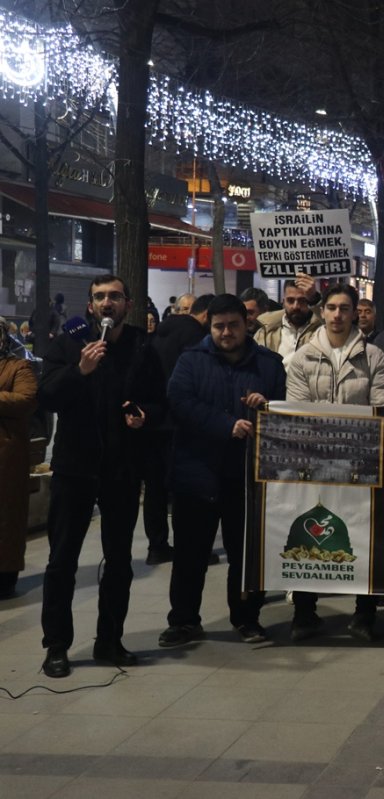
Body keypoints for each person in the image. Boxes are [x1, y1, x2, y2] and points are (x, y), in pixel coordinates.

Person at [37, 275, 163, 678]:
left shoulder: (143, 348)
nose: (107, 303)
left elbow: (160, 402)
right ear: (90, 306)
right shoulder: (68, 344)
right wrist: (81, 370)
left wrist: (144, 416)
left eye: (115, 297)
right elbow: (49, 396)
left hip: (121, 469)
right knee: (61, 561)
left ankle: (110, 639)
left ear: (127, 304)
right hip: (74, 468)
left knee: (119, 559)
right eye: (99, 298)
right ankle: (56, 645)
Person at [157, 294, 286, 649]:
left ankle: (247, 618)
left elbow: (285, 410)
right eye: (219, 326)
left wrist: (267, 406)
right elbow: (180, 403)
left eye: (233, 325)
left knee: (245, 554)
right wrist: (225, 425)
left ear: (247, 325)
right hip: (196, 474)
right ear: (209, 326)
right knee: (189, 554)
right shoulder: (191, 360)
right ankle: (184, 620)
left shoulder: (270, 364)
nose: (226, 332)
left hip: (246, 478)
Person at [286, 284, 384, 642]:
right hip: (312, 460)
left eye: (344, 308)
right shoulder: (303, 357)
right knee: (306, 533)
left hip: (361, 461)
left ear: (354, 312)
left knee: (364, 536)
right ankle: (304, 612)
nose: (337, 314)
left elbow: (381, 408)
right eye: (331, 307)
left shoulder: (373, 356)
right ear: (323, 312)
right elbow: (298, 410)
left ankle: (364, 614)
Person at [143, 293, 215, 566]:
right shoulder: (197, 338)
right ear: (206, 315)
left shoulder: (159, 334)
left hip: (154, 422)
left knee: (155, 488)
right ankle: (192, 548)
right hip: (182, 422)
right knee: (187, 488)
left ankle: (157, 545)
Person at [0, 318, 37, 599]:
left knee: (6, 517)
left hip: (6, 457)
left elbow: (25, 400)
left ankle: (5, 576)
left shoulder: (18, 366)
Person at [254, 276, 322, 368]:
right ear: (283, 302)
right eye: (290, 300)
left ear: (310, 302)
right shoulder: (265, 332)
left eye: (302, 301)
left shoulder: (322, 330)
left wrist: (315, 299)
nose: (296, 306)